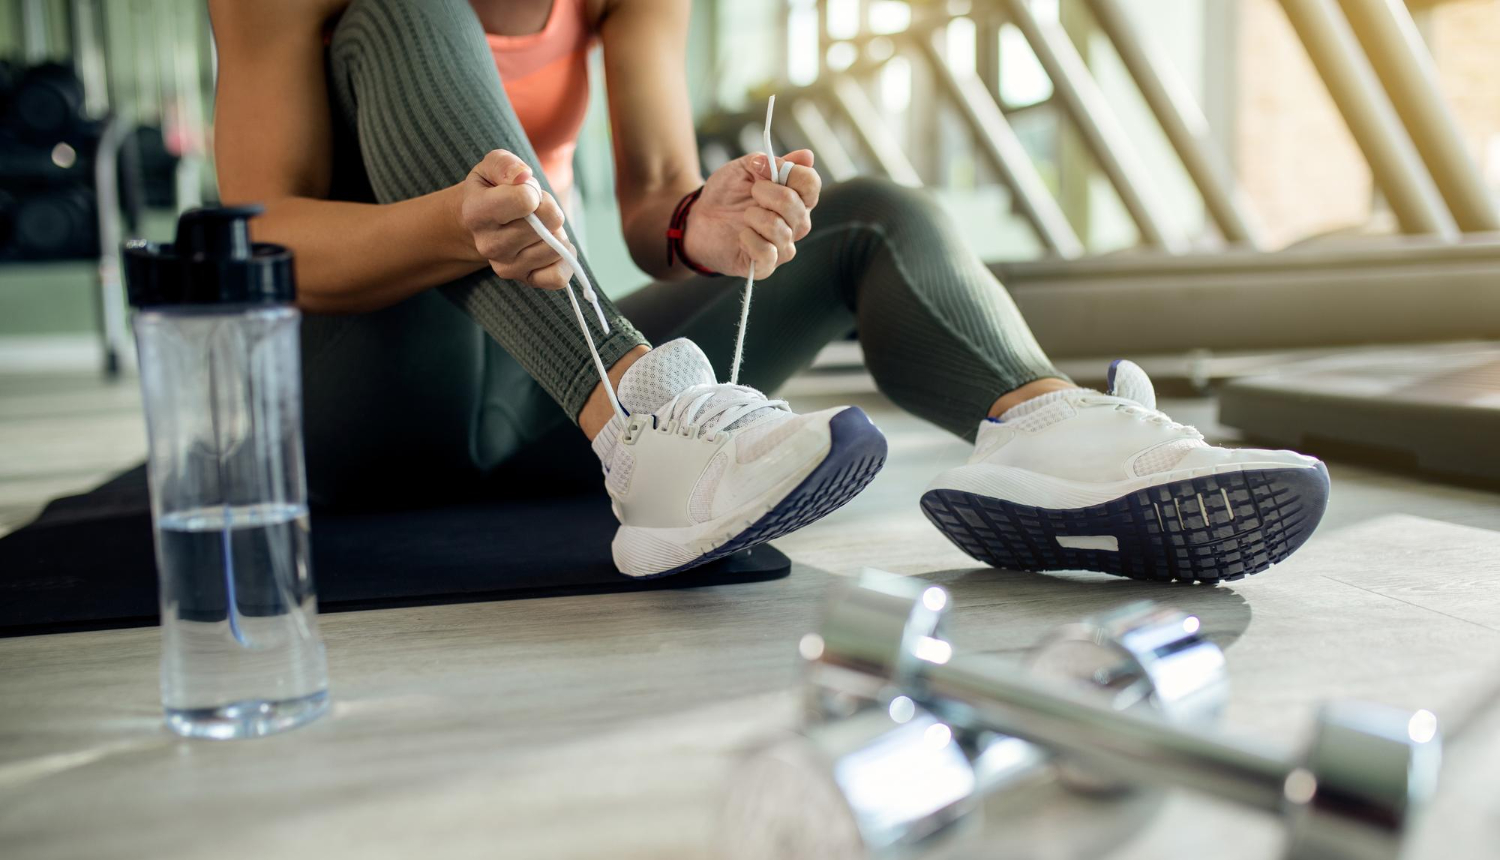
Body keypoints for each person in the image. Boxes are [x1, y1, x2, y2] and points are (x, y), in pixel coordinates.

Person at [207, 0, 1330, 583]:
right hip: (358, 396)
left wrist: (708, 217)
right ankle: (648, 419)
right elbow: (262, 239)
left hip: (540, 384)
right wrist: (451, 219)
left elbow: (651, 196)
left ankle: (1047, 435)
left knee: (870, 218)